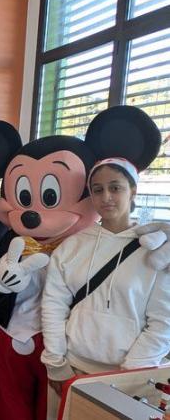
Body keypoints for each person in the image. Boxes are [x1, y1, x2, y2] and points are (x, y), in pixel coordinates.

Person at [41, 158, 170, 396]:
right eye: (97, 190)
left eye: (115, 187)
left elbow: (163, 322)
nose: (106, 196)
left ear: (133, 190)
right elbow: (53, 306)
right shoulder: (72, 246)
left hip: (128, 378)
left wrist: (130, 375)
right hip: (72, 369)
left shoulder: (156, 250)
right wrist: (56, 364)